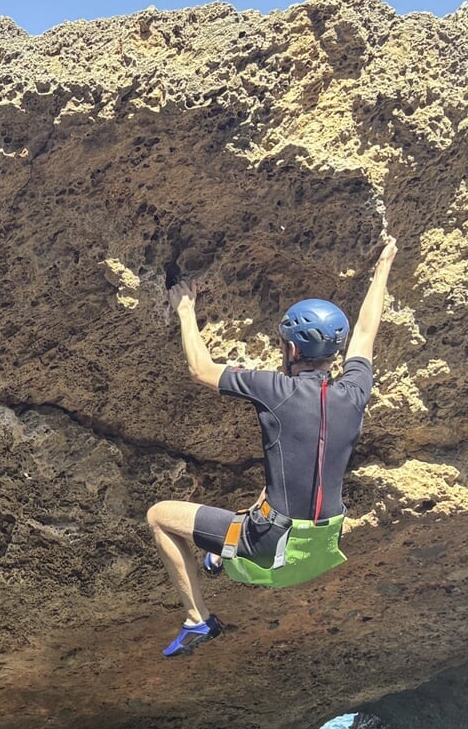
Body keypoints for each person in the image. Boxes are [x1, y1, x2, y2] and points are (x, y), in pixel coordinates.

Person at [147, 237, 399, 656]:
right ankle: (217, 558)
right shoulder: (354, 392)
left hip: (271, 545)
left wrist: (185, 308)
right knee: (278, 483)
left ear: (291, 349)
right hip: (322, 545)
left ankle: (197, 619)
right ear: (335, 352)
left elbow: (200, 369)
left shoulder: (274, 389)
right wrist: (383, 268)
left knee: (158, 516)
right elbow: (367, 331)